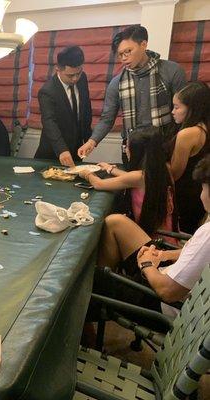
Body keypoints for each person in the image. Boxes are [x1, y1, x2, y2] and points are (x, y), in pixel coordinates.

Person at [96, 154, 210, 315]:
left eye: (203, 189)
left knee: (94, 282)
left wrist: (147, 264)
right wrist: (163, 254)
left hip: (161, 301)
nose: (200, 195)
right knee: (115, 222)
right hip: (166, 273)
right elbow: (198, 255)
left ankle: (89, 325)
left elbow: (167, 292)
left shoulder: (207, 235)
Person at [78, 25, 186, 163]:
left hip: (165, 147)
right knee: (131, 184)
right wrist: (91, 142)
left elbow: (184, 111)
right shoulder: (117, 82)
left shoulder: (171, 71)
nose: (123, 58)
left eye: (128, 51)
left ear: (143, 44)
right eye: (120, 55)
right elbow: (107, 118)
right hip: (131, 148)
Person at [79, 127, 176, 242]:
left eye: (128, 147)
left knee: (112, 223)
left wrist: (86, 174)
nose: (126, 150)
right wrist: (110, 168)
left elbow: (99, 184)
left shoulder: (138, 177)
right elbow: (131, 178)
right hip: (169, 237)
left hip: (155, 241)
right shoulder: (162, 169)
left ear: (138, 151)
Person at [35, 46, 92, 167]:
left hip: (76, 151)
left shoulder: (83, 79)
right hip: (52, 153)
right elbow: (49, 122)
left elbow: (86, 110)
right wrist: (61, 149)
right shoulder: (47, 91)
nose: (75, 78)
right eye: (70, 75)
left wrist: (89, 140)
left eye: (79, 73)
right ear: (58, 70)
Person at [167, 81, 210, 233]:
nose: (173, 111)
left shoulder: (188, 133)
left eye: (177, 107)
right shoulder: (205, 127)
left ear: (192, 108)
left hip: (186, 197)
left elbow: (175, 173)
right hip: (200, 194)